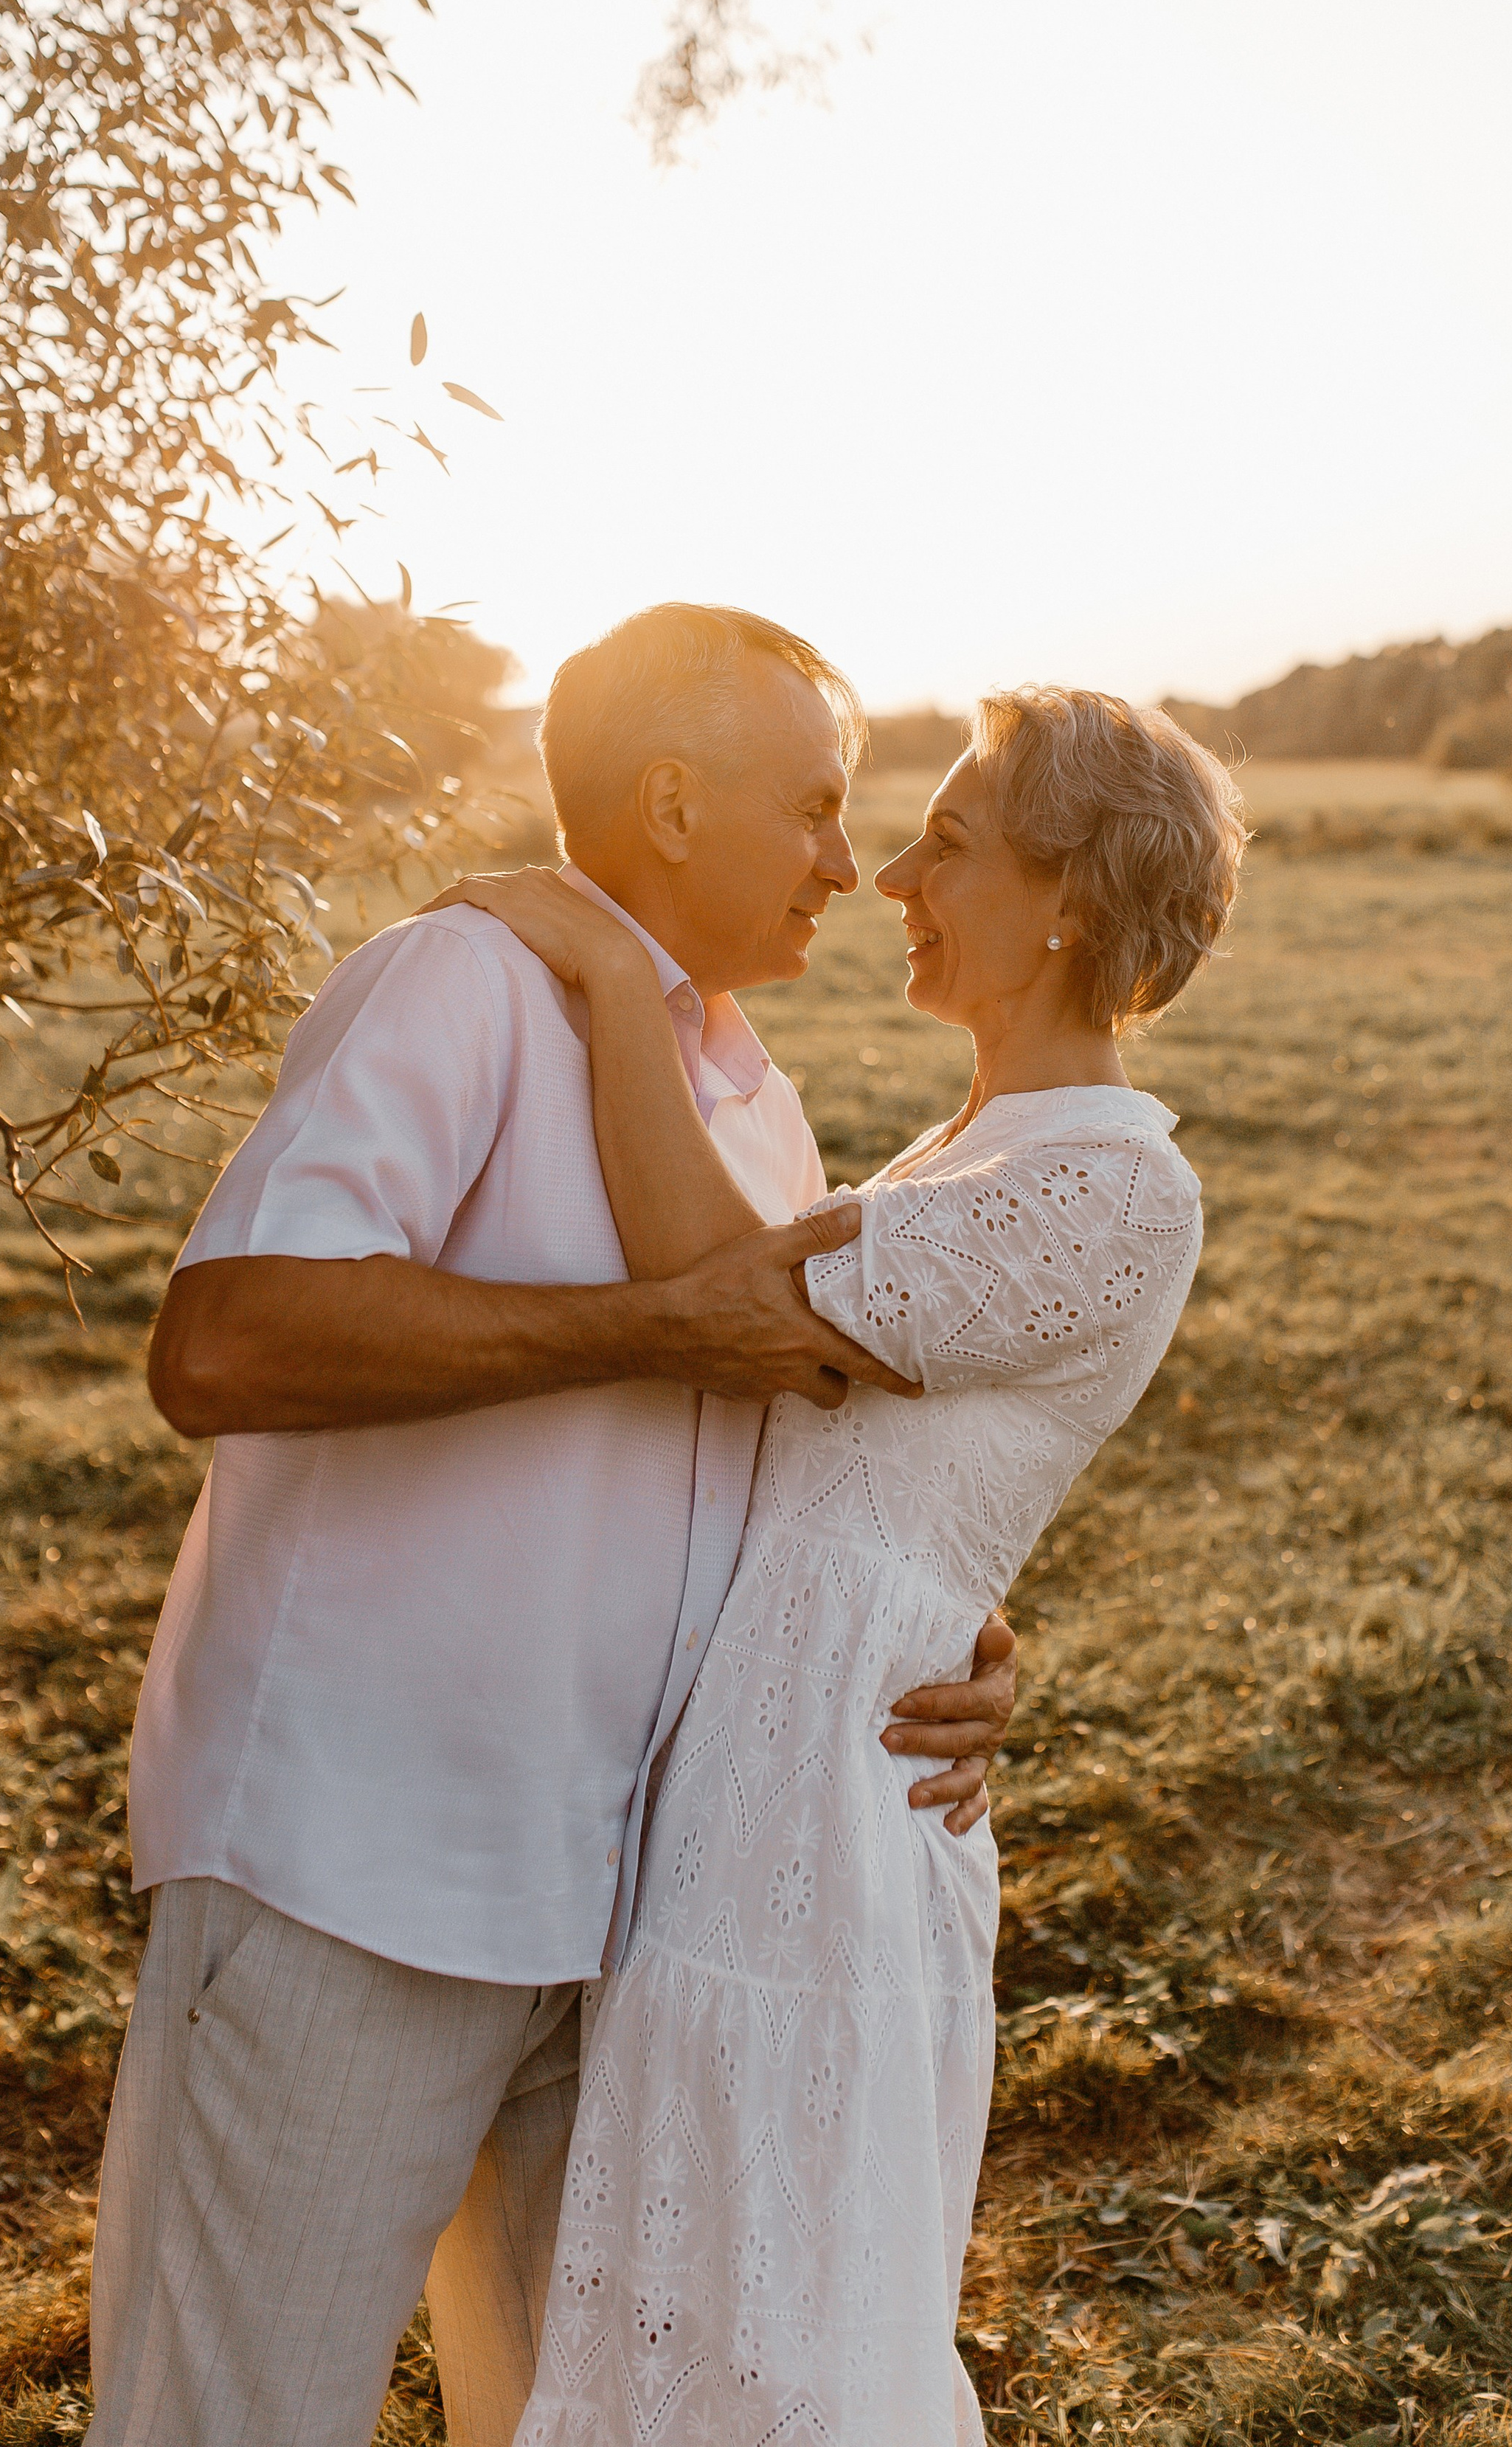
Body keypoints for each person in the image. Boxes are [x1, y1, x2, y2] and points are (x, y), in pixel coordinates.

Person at [86, 606, 1021, 2447]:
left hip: (631, 1924)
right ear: (669, 803)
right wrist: (642, 1329)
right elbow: (224, 1339)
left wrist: (948, 1635)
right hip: (355, 1882)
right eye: (814, 808)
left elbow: (776, 1441)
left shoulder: (753, 1097)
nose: (847, 863)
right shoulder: (459, 983)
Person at [431, 680, 1244, 2447]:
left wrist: (609, 972)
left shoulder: (1114, 1191)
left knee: (774, 2335)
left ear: (1068, 900)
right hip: (757, 1760)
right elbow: (857, 1467)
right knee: (667, 2307)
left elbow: (725, 1309)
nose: (887, 877)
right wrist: (968, 1616)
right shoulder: (983, 1146)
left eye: (945, 842)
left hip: (822, 1811)